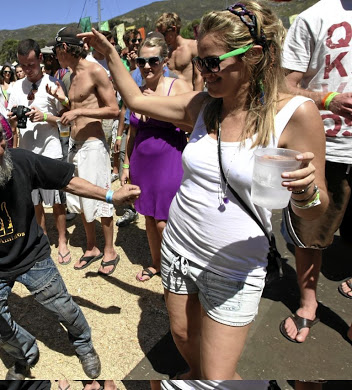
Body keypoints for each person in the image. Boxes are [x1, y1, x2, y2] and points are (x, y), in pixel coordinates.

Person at [81, 0, 328, 379]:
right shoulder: (205, 106)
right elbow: (136, 100)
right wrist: (111, 55)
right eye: (200, 61)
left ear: (255, 55)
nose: (203, 72)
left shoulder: (295, 114)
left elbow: (315, 211)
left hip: (235, 264)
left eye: (211, 62)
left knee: (218, 374)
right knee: (182, 337)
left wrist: (305, 192)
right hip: (179, 247)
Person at [0, 103, 140, 379]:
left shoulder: (19, 160)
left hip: (33, 257)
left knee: (65, 308)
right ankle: (25, 355)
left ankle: (83, 344)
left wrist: (109, 196)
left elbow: (67, 180)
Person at [280, 0, 352, 343]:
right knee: (311, 232)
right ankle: (309, 304)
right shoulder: (315, 16)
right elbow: (285, 85)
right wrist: (328, 100)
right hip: (329, 147)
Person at [51, 26, 121, 275]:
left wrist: (79, 111)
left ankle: (110, 250)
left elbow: (114, 110)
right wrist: (63, 101)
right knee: (81, 198)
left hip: (93, 144)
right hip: (76, 144)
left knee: (101, 196)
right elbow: (76, 105)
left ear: (65, 48)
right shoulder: (70, 76)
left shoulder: (95, 71)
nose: (55, 56)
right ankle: (92, 247)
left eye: (56, 50)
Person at [121, 37, 188, 282]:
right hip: (142, 162)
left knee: (165, 220)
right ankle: (157, 263)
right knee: (148, 217)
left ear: (165, 61)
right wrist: (125, 164)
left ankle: (177, 272)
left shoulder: (176, 87)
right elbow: (132, 131)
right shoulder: (136, 93)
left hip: (169, 159)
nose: (147, 66)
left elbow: (188, 122)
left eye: (153, 60)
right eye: (141, 61)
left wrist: (155, 104)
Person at [7, 39, 71, 265]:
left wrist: (44, 116)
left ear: (40, 59)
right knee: (34, 200)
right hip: (26, 151)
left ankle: (62, 239)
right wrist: (13, 120)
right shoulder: (15, 88)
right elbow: (10, 124)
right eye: (23, 65)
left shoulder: (53, 83)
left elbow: (65, 120)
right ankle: (42, 236)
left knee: (56, 198)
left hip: (50, 148)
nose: (27, 69)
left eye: (31, 64)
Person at [156, 12, 203, 91]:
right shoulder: (166, 52)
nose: (162, 38)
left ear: (174, 29)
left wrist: (197, 100)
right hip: (172, 98)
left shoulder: (192, 46)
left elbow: (199, 77)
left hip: (189, 96)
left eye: (164, 34)